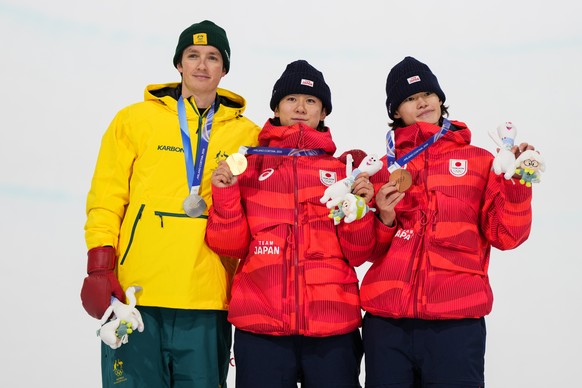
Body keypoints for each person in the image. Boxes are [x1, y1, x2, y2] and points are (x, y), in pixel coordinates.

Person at [80, 20, 261, 387]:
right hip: (137, 293)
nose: (201, 65)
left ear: (224, 68)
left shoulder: (249, 135)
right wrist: (100, 266)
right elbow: (107, 196)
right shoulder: (134, 120)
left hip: (207, 298)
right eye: (192, 56)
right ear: (178, 64)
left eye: (212, 57)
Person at [205, 59, 390, 388]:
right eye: (291, 99)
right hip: (261, 327)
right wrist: (225, 194)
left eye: (311, 101)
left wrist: (359, 209)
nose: (301, 107)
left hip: (332, 326)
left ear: (323, 113)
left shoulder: (341, 171)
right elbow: (229, 245)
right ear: (276, 108)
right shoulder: (247, 166)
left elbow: (358, 254)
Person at [360, 56, 536, 387]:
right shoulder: (383, 168)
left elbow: (506, 236)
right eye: (409, 98)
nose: (422, 102)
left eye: (427, 93)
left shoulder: (481, 161)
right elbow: (368, 251)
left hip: (455, 322)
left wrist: (516, 181)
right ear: (396, 112)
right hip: (386, 323)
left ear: (440, 99)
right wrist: (383, 217)